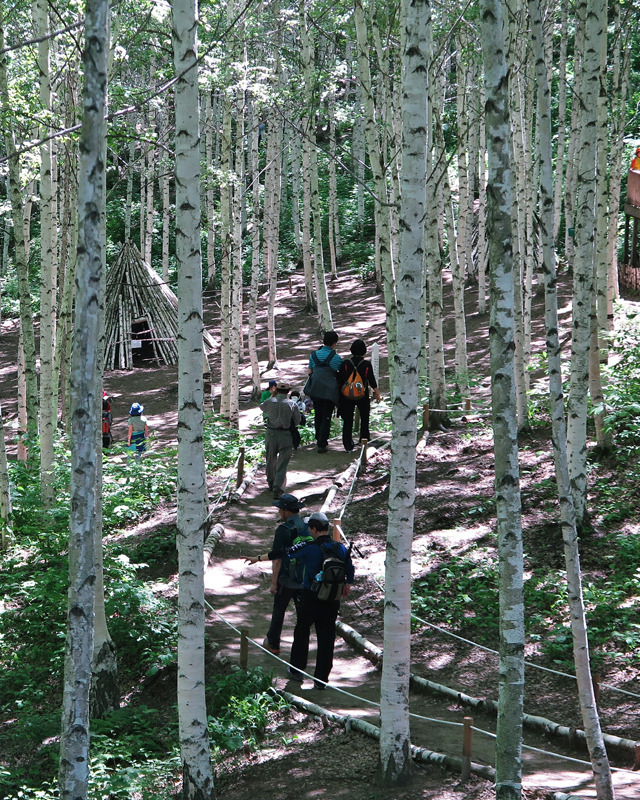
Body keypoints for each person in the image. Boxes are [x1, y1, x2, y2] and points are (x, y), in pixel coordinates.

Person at [284, 512, 354, 690]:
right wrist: (347, 585)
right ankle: (321, 679)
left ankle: (297, 670)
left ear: (314, 529)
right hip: (332, 598)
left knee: (302, 632)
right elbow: (350, 568)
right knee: (327, 637)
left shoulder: (310, 547)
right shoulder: (340, 548)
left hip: (310, 596)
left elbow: (289, 556)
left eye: (310, 528)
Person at [243, 494, 310, 655]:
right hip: (304, 579)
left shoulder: (283, 530)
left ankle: (273, 643)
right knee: (302, 616)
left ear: (286, 511)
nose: (279, 511)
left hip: (286, 579)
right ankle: (301, 649)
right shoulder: (308, 526)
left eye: (280, 508)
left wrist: (274, 583)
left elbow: (278, 558)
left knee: (279, 610)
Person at [337, 339, 381, 451]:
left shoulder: (346, 363)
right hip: (362, 395)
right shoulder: (366, 364)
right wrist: (377, 393)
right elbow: (371, 379)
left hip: (347, 396)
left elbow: (341, 379)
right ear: (364, 351)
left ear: (351, 350)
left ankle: (348, 444)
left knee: (348, 420)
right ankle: (364, 441)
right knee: (364, 418)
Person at [261, 382, 301, 498]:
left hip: (271, 433)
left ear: (276, 390)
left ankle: (271, 482)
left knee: (270, 459)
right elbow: (297, 420)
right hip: (286, 435)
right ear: (288, 392)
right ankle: (278, 488)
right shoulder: (292, 404)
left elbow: (261, 408)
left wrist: (272, 396)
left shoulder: (269, 402)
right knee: (282, 463)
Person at [306, 331, 342, 453]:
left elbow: (309, 372)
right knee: (326, 416)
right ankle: (322, 443)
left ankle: (318, 438)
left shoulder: (313, 355)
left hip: (315, 390)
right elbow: (341, 374)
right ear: (334, 343)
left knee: (318, 415)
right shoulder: (336, 358)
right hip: (329, 393)